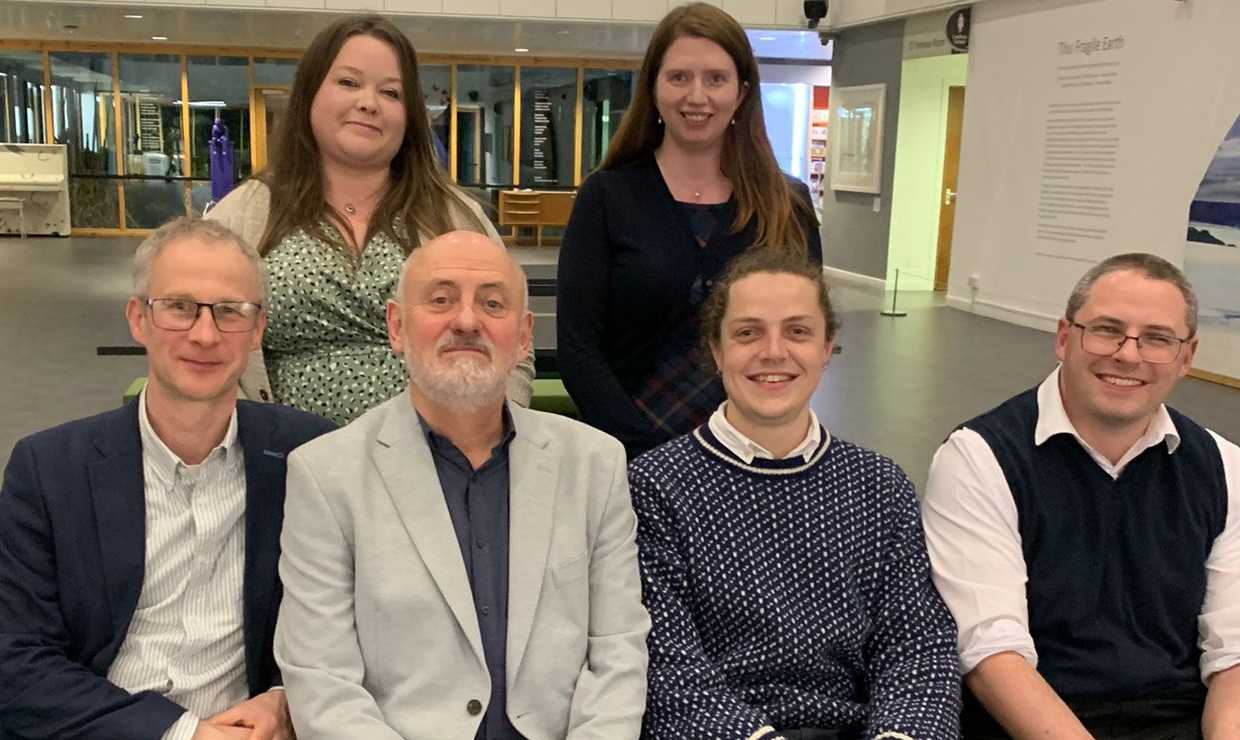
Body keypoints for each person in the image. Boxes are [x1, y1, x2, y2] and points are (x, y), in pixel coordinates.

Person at [274, 230, 651, 739]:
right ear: (397, 327)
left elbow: (618, 653)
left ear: (522, 337)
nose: (467, 321)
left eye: (492, 303)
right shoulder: (326, 475)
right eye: (441, 299)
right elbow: (323, 683)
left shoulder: (595, 465)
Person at [0, 218, 335, 740]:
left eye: (230, 312)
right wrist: (183, 734)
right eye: (180, 307)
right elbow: (15, 662)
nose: (205, 334)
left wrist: (284, 698)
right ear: (138, 318)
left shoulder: (306, 455)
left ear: (257, 331)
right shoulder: (48, 470)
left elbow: (350, 622)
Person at [629, 249, 961, 740]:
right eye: (748, 333)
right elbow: (666, 663)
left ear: (827, 348)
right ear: (717, 351)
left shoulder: (879, 484)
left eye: (798, 331)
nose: (773, 352)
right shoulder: (656, 484)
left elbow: (917, 641)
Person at [922, 253, 1240, 739]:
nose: (1128, 355)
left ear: (1186, 357)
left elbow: (1233, 650)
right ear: (1064, 338)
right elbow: (991, 654)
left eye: (1157, 338)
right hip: (1032, 721)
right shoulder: (979, 459)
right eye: (1107, 329)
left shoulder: (1224, 467)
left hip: (1178, 718)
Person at [209, 14, 532, 426]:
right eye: (348, 83)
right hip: (284, 462)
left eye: (391, 92)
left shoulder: (454, 215)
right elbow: (203, 339)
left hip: (439, 464)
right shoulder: (246, 213)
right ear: (310, 94)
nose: (368, 102)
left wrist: (493, 443)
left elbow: (514, 346)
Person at [557, 2, 823, 459]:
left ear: (741, 92)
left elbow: (803, 337)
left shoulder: (789, 207)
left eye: (715, 79)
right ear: (654, 89)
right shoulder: (607, 197)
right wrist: (649, 454)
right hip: (628, 455)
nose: (696, 96)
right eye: (679, 77)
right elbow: (578, 349)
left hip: (755, 454)